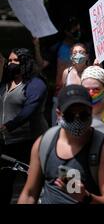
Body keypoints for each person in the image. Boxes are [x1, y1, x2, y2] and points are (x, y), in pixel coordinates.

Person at [18, 85, 104, 204]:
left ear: (91, 112)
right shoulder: (44, 143)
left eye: (83, 115)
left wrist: (85, 197)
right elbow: (29, 194)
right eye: (70, 115)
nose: (77, 120)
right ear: (58, 114)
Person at [0, 48, 48, 204]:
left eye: (16, 61)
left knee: (33, 180)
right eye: (10, 60)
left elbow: (29, 110)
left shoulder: (35, 84)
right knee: (5, 181)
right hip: (8, 141)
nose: (11, 63)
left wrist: (8, 126)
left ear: (25, 62)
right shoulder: (6, 81)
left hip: (30, 140)